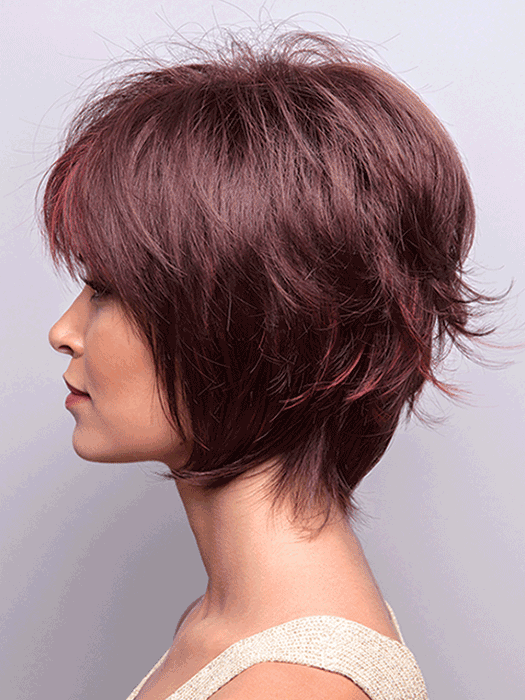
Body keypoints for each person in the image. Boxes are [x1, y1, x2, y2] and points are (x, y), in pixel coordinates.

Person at [44, 30, 490, 700]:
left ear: (253, 320)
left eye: (106, 289)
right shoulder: (230, 628)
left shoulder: (285, 685)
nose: (63, 332)